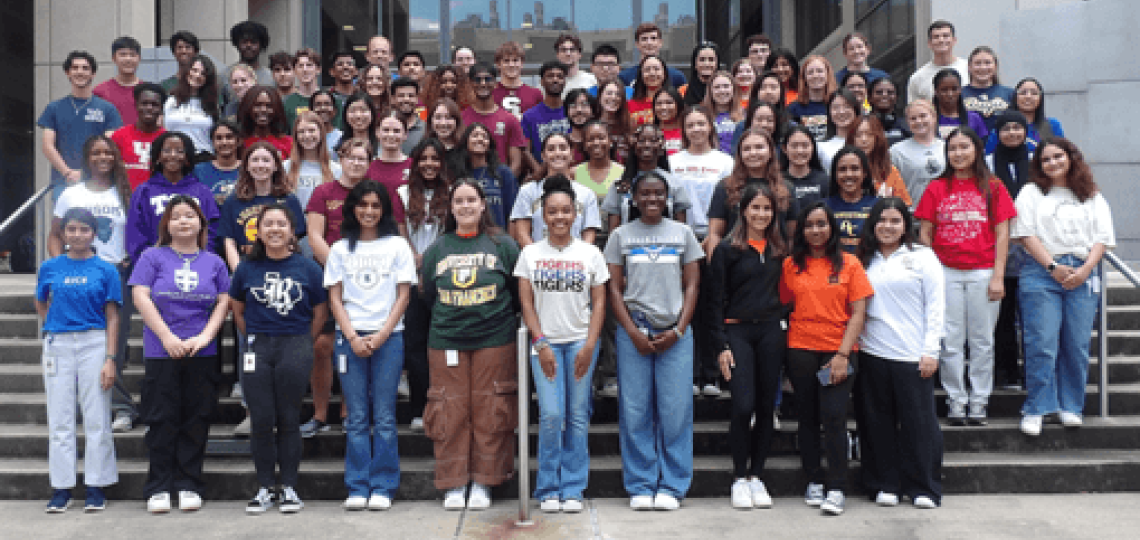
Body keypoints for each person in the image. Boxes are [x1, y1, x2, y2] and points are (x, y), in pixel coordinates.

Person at [604, 170, 703, 511]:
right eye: (644, 194)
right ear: (633, 198)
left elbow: (692, 285)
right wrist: (632, 332)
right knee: (635, 411)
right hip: (635, 331)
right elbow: (613, 288)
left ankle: (673, 486)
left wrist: (678, 330)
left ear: (667, 197)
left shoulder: (683, 233)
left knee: (675, 411)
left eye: (658, 194)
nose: (651, 200)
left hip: (675, 332)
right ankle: (641, 484)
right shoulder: (620, 236)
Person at [420, 179, 521, 511]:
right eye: (458, 201)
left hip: (495, 339)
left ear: (482, 205)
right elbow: (429, 296)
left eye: (471, 200)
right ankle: (453, 482)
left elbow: (518, 294)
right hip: (447, 340)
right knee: (450, 410)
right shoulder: (437, 249)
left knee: (491, 409)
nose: (465, 206)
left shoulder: (503, 245)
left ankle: (483, 481)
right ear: (451, 208)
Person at [515, 176, 609, 513]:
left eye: (566, 211)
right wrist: (540, 343)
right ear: (542, 213)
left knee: (578, 415)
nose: (559, 217)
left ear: (576, 214)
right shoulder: (529, 253)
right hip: (546, 344)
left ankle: (573, 487)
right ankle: (548, 487)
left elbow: (599, 303)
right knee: (552, 414)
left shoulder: (590, 253)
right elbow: (526, 304)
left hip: (581, 342)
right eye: (552, 211)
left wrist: (590, 345)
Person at [132, 196, 230, 513]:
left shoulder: (213, 261)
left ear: (201, 223)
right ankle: (159, 486)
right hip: (162, 351)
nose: (183, 221)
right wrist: (167, 337)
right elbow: (141, 296)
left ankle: (189, 483)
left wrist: (204, 337)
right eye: (176, 217)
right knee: (161, 418)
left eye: (190, 216)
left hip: (202, 350)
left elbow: (224, 301)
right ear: (167, 224)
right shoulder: (152, 257)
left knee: (196, 417)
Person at [230, 203, 328, 514]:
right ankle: (263, 488)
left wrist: (301, 340)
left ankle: (288, 488)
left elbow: (320, 312)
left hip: (295, 344)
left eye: (281, 224)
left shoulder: (308, 268)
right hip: (257, 346)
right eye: (268, 224)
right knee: (261, 418)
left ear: (291, 231)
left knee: (288, 418)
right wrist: (260, 334)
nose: (274, 229)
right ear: (258, 232)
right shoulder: (246, 268)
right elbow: (238, 310)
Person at [915, 128, 1017, 426]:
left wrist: (998, 276)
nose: (958, 153)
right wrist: (929, 272)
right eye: (952, 148)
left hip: (983, 271)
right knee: (950, 341)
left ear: (976, 150)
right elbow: (925, 232)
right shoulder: (937, 188)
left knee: (983, 340)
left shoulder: (994, 186)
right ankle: (956, 400)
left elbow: (1002, 233)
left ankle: (979, 401)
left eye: (964, 147)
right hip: (945, 271)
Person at [326, 181, 417, 510]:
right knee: (357, 416)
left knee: (385, 415)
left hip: (388, 337)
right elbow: (335, 298)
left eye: (375, 206)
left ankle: (383, 484)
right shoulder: (339, 249)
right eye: (362, 205)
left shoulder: (397, 246)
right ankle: (357, 485)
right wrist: (351, 336)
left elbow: (404, 296)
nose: (368, 211)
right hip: (349, 337)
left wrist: (380, 335)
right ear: (352, 208)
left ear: (384, 210)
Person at [1014, 138, 1114, 436]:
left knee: (1076, 344)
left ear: (1070, 157)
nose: (1053, 163)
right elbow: (1025, 234)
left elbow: (1103, 238)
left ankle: (1071, 406)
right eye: (1046, 159)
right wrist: (1053, 268)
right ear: (1039, 165)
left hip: (1083, 273)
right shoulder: (1031, 192)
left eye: (1058, 156)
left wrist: (1085, 270)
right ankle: (1037, 407)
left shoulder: (1090, 194)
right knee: (1042, 342)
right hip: (1042, 271)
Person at [780, 202, 873, 516]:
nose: (816, 230)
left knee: (834, 416)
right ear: (802, 230)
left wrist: (842, 354)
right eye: (809, 225)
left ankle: (837, 486)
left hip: (839, 349)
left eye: (821, 224)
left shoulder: (849, 264)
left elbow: (859, 313)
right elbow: (784, 305)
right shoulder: (791, 266)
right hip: (800, 349)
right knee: (807, 417)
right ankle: (814, 480)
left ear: (831, 227)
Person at [855, 197, 945, 510]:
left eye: (895, 221)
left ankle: (923, 486)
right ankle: (885, 483)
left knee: (919, 424)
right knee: (876, 422)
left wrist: (931, 349)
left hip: (913, 354)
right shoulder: (863, 258)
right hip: (872, 352)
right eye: (882, 220)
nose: (888, 227)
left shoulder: (922, 256)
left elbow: (936, 306)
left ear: (906, 225)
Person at [706, 183, 786, 509]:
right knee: (743, 405)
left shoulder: (780, 250)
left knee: (766, 407)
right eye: (755, 208)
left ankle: (757, 476)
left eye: (767, 209)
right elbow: (713, 303)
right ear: (743, 211)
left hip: (770, 333)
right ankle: (739, 477)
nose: (761, 214)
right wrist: (721, 345)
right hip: (737, 333)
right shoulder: (727, 249)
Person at [37, 208, 122, 513]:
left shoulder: (106, 270)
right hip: (58, 344)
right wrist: (55, 326)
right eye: (71, 229)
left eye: (84, 229)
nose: (77, 235)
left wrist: (110, 358)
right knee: (60, 419)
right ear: (63, 233)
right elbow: (41, 301)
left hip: (94, 342)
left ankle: (96, 486)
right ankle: (61, 487)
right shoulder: (50, 267)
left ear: (94, 233)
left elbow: (113, 317)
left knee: (97, 416)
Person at [50, 135, 137, 432]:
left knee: (117, 342)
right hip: (78, 273)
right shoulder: (71, 194)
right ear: (87, 157)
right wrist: (57, 270)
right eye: (96, 153)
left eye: (108, 152)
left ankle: (121, 407)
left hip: (114, 273)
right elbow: (54, 236)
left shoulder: (125, 193)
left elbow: (136, 234)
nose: (103, 157)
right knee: (85, 339)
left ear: (115, 157)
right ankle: (102, 402)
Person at [304, 139, 374, 437]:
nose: (356, 163)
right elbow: (314, 236)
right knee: (322, 346)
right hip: (327, 276)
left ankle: (349, 413)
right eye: (351, 157)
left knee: (354, 345)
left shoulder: (372, 194)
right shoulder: (323, 192)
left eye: (362, 158)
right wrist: (339, 268)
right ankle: (320, 414)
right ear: (340, 159)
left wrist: (358, 271)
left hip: (366, 281)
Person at [397, 139, 454, 430]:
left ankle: (448, 405)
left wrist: (430, 262)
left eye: (435, 158)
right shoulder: (402, 193)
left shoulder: (454, 192)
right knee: (416, 344)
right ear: (416, 162)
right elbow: (400, 233)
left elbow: (453, 234)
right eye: (424, 158)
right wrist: (416, 264)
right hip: (412, 274)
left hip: (445, 277)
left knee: (445, 344)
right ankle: (420, 407)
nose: (429, 164)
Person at [986, 111, 1033, 390]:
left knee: (1031, 315)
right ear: (997, 133)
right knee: (1003, 316)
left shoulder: (1038, 162)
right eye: (1007, 128)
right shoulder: (988, 163)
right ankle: (1007, 372)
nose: (1013, 133)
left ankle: (1032, 371)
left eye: (1018, 128)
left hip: (1032, 250)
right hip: (999, 248)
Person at [39, 51, 124, 199]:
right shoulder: (54, 108)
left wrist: (85, 173)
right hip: (64, 182)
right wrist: (67, 172)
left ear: (93, 74)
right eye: (75, 68)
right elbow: (47, 145)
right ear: (68, 72)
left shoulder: (107, 109)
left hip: (98, 182)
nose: (80, 72)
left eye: (85, 68)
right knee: (64, 222)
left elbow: (110, 146)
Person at [126, 131, 220, 265]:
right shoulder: (143, 191)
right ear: (158, 156)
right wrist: (150, 264)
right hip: (155, 269)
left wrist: (202, 262)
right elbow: (135, 235)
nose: (173, 155)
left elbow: (212, 231)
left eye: (180, 151)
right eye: (167, 150)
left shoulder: (202, 191)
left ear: (187, 158)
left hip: (196, 267)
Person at [706, 127, 799, 251]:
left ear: (771, 151)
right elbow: (714, 234)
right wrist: (715, 266)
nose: (753, 153)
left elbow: (792, 236)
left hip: (776, 261)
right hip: (735, 262)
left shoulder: (787, 188)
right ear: (739, 154)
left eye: (759, 147)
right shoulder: (725, 186)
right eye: (747, 149)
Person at [219, 142, 307, 268]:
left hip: (281, 266)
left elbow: (293, 240)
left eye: (266, 160)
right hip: (245, 264)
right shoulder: (233, 201)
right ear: (247, 166)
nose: (260, 165)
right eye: (255, 160)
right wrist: (239, 273)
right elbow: (229, 242)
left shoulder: (289, 200)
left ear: (276, 166)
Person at [510, 134, 602, 247]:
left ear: (571, 154)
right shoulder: (528, 191)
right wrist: (535, 259)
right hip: (539, 261)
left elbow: (589, 235)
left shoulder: (587, 194)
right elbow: (522, 233)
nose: (557, 153)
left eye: (563, 148)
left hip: (575, 261)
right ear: (543, 156)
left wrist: (579, 259)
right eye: (551, 149)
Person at [601, 124, 692, 230]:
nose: (647, 145)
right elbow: (614, 229)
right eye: (641, 141)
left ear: (661, 146)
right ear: (634, 146)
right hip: (629, 243)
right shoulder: (621, 185)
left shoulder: (674, 184)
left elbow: (681, 227)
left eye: (653, 141)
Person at [670, 105, 735, 242]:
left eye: (701, 124)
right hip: (680, 235)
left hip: (717, 236)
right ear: (684, 130)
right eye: (690, 125)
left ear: (710, 127)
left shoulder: (726, 162)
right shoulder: (672, 162)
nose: (696, 129)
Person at [463, 61, 527, 178]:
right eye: (478, 80)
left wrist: (500, 186)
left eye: (487, 79)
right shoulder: (462, 118)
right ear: (471, 84)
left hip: (500, 187)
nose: (483, 84)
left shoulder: (510, 119)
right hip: (468, 188)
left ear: (495, 83)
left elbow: (516, 163)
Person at [455, 122, 520, 229]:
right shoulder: (459, 174)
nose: (480, 139)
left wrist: (509, 242)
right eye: (475, 135)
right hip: (467, 238)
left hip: (498, 239)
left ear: (489, 145)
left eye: (484, 137)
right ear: (466, 143)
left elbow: (514, 214)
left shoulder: (503, 173)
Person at [985, 78, 1065, 154]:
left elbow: (1062, 154)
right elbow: (988, 157)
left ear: (1041, 98)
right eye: (1023, 93)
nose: (1028, 96)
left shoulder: (1052, 125)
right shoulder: (1002, 125)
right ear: (1015, 97)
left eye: (1034, 93)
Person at [163, 55, 220, 162]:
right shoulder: (171, 101)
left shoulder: (211, 105)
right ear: (187, 71)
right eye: (194, 70)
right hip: (174, 158)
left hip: (203, 157)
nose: (197, 75)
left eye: (203, 73)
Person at [111, 82, 167, 189]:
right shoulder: (119, 136)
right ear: (136, 105)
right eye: (144, 103)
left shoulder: (167, 139)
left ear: (161, 108)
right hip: (125, 199)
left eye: (154, 104)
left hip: (156, 199)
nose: (149, 108)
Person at [890, 99, 945, 207]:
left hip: (943, 213)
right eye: (913, 118)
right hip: (912, 214)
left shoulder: (947, 147)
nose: (919, 121)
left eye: (923, 116)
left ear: (934, 117)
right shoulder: (896, 151)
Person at [825, 147, 879, 253]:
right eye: (842, 169)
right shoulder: (823, 207)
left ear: (865, 173)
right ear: (834, 174)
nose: (849, 174)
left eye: (855, 168)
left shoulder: (878, 206)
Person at [848, 115, 912, 204]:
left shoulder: (890, 171)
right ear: (852, 139)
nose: (864, 139)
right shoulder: (844, 170)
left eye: (869, 134)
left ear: (877, 138)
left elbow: (905, 205)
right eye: (858, 135)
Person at [365, 115, 412, 236]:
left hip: (409, 233)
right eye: (386, 130)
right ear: (377, 133)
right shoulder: (367, 167)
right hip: (375, 231)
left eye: (396, 131)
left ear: (405, 135)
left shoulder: (414, 166)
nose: (391, 135)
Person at [907, 20, 969, 103]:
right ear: (929, 43)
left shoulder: (969, 69)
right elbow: (914, 111)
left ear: (954, 40)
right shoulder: (917, 78)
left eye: (946, 36)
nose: (941, 40)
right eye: (936, 37)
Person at [521, 61, 571, 160]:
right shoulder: (529, 116)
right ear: (542, 82)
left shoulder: (573, 112)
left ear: (565, 81)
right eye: (550, 76)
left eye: (560, 77)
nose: (555, 80)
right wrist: (538, 172)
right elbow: (526, 151)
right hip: (542, 173)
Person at [618, 22, 687, 88]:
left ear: (660, 43)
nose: (649, 43)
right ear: (637, 44)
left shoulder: (677, 77)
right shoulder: (624, 77)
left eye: (653, 38)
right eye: (644, 39)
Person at [962, 46, 1013, 133]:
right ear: (969, 67)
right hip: (969, 144)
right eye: (978, 63)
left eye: (987, 63)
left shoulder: (1010, 94)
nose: (983, 68)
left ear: (995, 66)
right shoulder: (959, 94)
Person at [193, 120, 243, 208]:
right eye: (219, 138)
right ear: (212, 142)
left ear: (238, 141)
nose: (224, 142)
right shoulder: (198, 170)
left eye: (229, 137)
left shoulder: (248, 168)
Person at [94, 36, 143, 125]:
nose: (128, 59)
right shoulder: (100, 91)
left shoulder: (148, 90)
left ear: (139, 58)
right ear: (113, 58)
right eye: (123, 54)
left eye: (132, 55)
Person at [223, 21, 273, 106]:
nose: (248, 46)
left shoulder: (271, 77)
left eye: (253, 42)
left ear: (261, 45)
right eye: (244, 42)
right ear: (237, 44)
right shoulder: (224, 75)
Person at [788, 55, 836, 141]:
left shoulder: (837, 105)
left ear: (827, 74)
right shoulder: (793, 109)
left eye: (820, 71)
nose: (815, 75)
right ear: (804, 77)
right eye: (810, 72)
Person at [574, 120, 625, 201]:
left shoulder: (623, 173)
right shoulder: (574, 173)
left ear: (610, 141)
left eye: (601, 138)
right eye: (590, 139)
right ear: (584, 145)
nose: (596, 143)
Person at [238, 86, 294, 158]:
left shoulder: (289, 143)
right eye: (257, 105)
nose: (263, 110)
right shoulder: (239, 143)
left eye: (269, 106)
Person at [783, 125, 830, 209]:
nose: (800, 151)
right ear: (784, 149)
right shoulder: (778, 180)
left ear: (813, 147)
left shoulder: (825, 180)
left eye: (805, 145)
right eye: (794, 146)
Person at [933, 69, 988, 141]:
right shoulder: (928, 119)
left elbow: (981, 147)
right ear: (936, 92)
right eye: (944, 90)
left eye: (954, 89)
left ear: (960, 90)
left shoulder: (974, 118)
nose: (950, 94)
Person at [493, 42, 542, 118]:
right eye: (506, 61)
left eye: (515, 60)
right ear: (498, 64)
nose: (511, 65)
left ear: (522, 63)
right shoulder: (490, 94)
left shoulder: (536, 94)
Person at [816, 89, 861, 171]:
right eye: (836, 108)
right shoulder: (820, 146)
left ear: (855, 110)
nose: (841, 112)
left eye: (847, 106)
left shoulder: (866, 141)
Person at [700, 71, 744, 153]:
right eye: (717, 87)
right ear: (710, 91)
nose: (722, 90)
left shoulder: (745, 114)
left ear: (733, 89)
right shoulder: (701, 116)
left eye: (726, 86)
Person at [283, 48, 322, 133]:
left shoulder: (330, 100)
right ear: (295, 71)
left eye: (309, 65)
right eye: (300, 66)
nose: (305, 70)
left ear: (318, 70)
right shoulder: (287, 102)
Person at [597, 80, 635, 163]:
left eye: (618, 94)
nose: (613, 97)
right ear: (600, 96)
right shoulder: (591, 124)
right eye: (609, 93)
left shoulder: (630, 124)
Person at [627, 55, 670, 127]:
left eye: (656, 69)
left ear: (664, 73)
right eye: (647, 69)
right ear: (641, 75)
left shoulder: (675, 103)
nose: (652, 73)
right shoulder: (629, 105)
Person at [425, 98, 466, 172]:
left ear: (456, 121)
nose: (443, 123)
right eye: (438, 117)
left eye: (448, 117)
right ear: (430, 121)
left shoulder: (466, 150)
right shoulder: (421, 150)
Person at [563, 89, 600, 164]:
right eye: (573, 105)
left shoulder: (601, 142)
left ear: (593, 111)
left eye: (584, 105)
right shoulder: (561, 142)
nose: (579, 110)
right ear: (567, 112)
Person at [869, 78, 909, 145]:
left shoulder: (907, 124)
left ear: (896, 97)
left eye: (890, 92)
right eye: (879, 92)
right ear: (870, 97)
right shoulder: (862, 124)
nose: (884, 95)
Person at [392, 78, 426, 154]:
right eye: (401, 96)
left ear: (417, 99)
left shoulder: (426, 129)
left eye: (411, 96)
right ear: (393, 99)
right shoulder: (383, 126)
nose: (406, 99)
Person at [681, 43, 720, 107]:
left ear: (717, 64)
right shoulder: (682, 91)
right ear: (695, 64)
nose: (706, 64)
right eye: (702, 60)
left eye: (711, 60)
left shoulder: (725, 90)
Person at [653, 87, 685, 155]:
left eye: (669, 103)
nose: (663, 107)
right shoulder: (649, 133)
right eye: (659, 103)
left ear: (678, 105)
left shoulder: (689, 131)